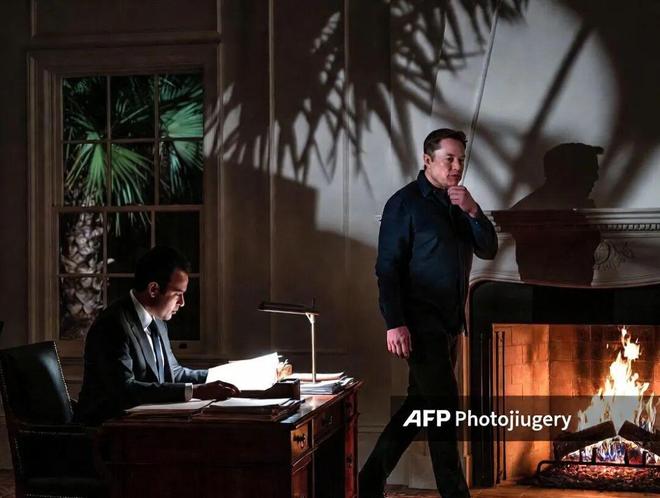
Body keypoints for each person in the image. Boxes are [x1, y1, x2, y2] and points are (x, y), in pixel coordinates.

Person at [359, 129, 498, 498]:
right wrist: (394, 323)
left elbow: (488, 249)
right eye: (448, 159)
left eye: (460, 160)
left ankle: (367, 482)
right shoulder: (403, 204)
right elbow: (387, 269)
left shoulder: (459, 203)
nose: (456, 166)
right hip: (419, 324)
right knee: (443, 412)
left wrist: (473, 210)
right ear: (427, 160)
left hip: (451, 323)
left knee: (419, 406)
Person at [77, 246, 239, 425]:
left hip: (142, 424)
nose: (182, 302)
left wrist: (220, 375)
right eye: (177, 294)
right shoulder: (112, 324)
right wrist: (195, 391)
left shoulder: (158, 320)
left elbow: (173, 372)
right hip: (105, 429)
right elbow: (124, 389)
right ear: (153, 289)